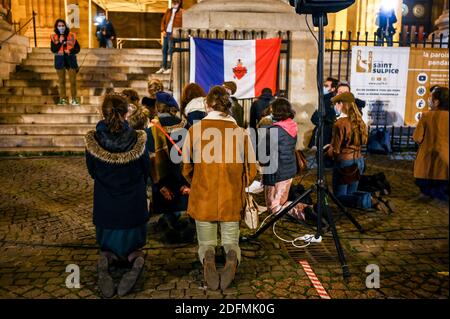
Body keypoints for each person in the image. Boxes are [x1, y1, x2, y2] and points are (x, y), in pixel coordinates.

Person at [182, 86, 257, 291]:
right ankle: (231, 254)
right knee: (231, 239)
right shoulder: (240, 133)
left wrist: (196, 183)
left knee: (206, 241)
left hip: (203, 194)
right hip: (231, 196)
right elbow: (252, 169)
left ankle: (208, 255)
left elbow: (187, 167)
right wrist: (239, 184)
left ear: (207, 105)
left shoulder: (194, 130)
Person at [84, 93, 150, 298]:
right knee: (134, 248)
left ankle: (107, 256)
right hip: (133, 208)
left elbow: (92, 170)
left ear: (102, 112)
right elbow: (145, 169)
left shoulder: (94, 140)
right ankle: (134, 257)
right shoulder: (138, 139)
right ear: (126, 112)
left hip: (106, 209)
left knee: (107, 247)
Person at [326, 92, 389, 212]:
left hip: (345, 163)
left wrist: (327, 151)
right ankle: (375, 198)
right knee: (351, 193)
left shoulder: (340, 123)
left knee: (339, 197)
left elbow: (336, 150)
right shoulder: (360, 122)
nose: (335, 106)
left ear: (342, 105)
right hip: (359, 160)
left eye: (336, 103)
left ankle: (370, 201)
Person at [259, 98, 310, 220]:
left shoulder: (274, 130)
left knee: (274, 207)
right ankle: (308, 209)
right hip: (288, 168)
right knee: (280, 202)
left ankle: (307, 212)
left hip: (277, 172)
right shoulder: (292, 125)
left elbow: (263, 153)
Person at [151, 91, 189, 228]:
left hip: (162, 179)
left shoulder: (152, 127)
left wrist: (159, 185)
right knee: (178, 205)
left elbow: (151, 159)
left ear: (157, 106)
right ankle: (176, 218)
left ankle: (168, 219)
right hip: (180, 177)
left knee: (166, 207)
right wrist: (186, 182)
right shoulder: (184, 124)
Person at [413, 86, 449, 201]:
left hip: (426, 169)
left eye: (430, 98)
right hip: (445, 167)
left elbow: (417, 138)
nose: (428, 100)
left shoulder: (427, 116)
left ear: (436, 102)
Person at [50, 19, 80, 106]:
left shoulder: (72, 35)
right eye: (59, 26)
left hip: (71, 60)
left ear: (65, 26)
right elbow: (53, 49)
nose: (61, 27)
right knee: (61, 81)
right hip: (60, 60)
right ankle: (63, 99)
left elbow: (78, 48)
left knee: (73, 81)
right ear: (56, 27)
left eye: (62, 25)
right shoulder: (54, 37)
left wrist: (70, 51)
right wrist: (60, 42)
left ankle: (74, 99)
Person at [156, 0, 183, 74]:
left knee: (171, 50)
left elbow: (183, 24)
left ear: (179, 3)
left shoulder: (182, 12)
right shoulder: (168, 11)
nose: (173, 4)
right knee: (164, 50)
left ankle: (170, 68)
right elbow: (163, 21)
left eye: (175, 2)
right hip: (166, 33)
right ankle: (163, 67)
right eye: (172, 2)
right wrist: (163, 30)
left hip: (173, 34)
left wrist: (176, 33)